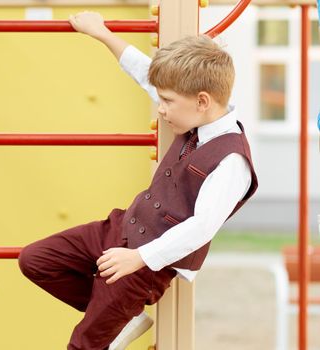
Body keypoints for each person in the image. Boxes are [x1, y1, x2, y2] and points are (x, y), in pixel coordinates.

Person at [18, 11, 258, 350]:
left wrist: (139, 258)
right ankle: (118, 315)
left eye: (167, 102)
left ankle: (114, 311)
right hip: (119, 230)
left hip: (144, 266)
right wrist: (102, 33)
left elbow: (202, 227)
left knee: (83, 345)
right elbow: (145, 73)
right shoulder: (195, 111)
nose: (160, 109)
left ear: (202, 102)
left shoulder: (232, 160)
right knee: (36, 260)